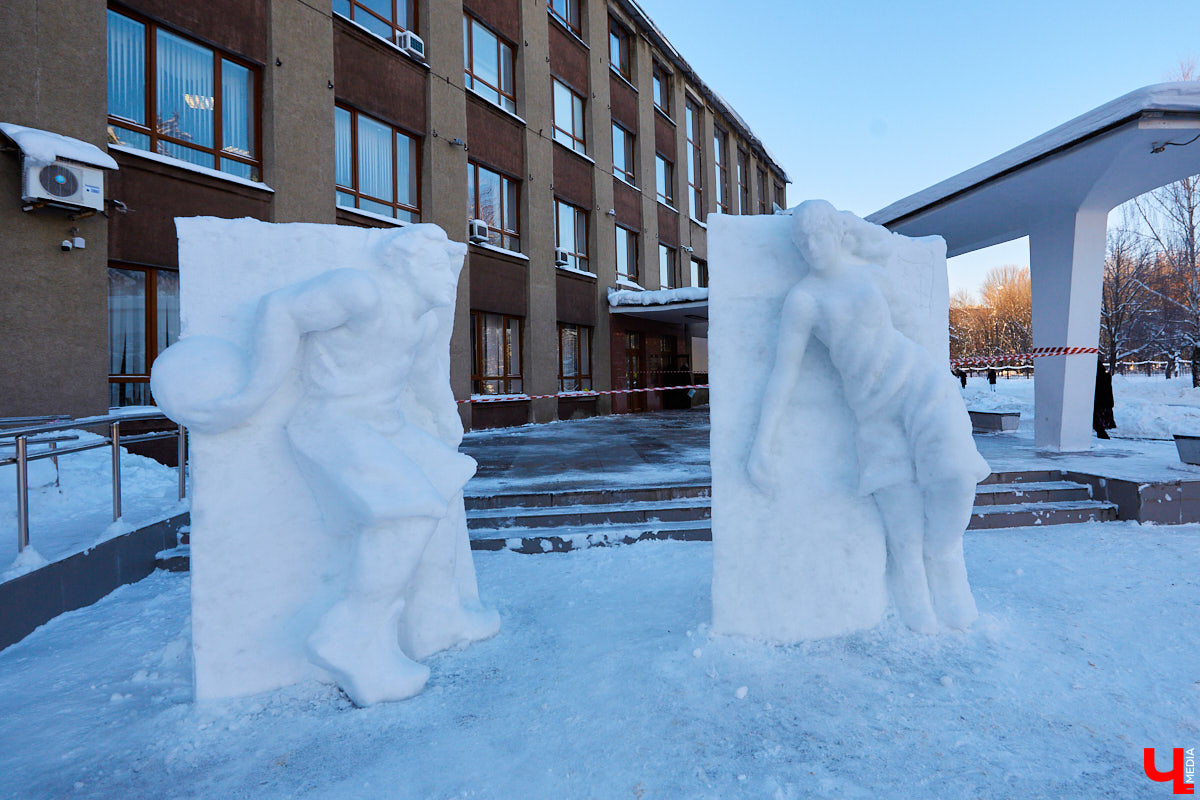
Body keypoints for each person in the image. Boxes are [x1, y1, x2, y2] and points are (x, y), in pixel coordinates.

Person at [748, 200, 990, 633]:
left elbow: (916, 329)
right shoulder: (804, 299)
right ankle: (915, 597)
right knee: (901, 520)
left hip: (920, 383)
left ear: (837, 233)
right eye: (802, 240)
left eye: (819, 235)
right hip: (873, 410)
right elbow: (783, 373)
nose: (811, 247)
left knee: (956, 474)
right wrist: (762, 443)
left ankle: (943, 557)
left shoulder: (871, 275)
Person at [1093, 357, 1115, 439]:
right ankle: (1101, 430)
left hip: (1099, 400)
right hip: (1105, 400)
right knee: (1101, 416)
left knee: (1097, 416)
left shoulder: (1097, 375)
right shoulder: (1105, 375)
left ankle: (1100, 431)